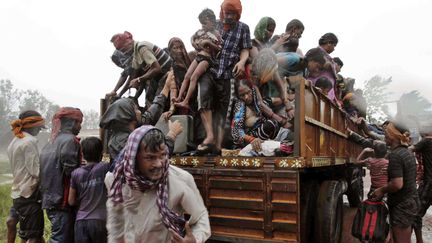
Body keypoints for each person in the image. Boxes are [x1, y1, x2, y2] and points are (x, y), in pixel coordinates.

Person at [105, 125, 211, 242]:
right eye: (150, 158)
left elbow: (201, 217)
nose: (159, 164)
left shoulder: (181, 180)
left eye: (162, 155)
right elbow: (115, 226)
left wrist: (195, 239)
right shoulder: (117, 182)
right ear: (134, 158)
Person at [100, 70, 175, 161]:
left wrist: (166, 87)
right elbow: (156, 156)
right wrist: (172, 135)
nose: (140, 111)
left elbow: (150, 115)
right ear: (129, 116)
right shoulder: (122, 142)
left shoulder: (129, 128)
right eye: (135, 109)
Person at [40, 107, 83, 243]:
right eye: (78, 122)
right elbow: (72, 172)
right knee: (60, 238)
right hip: (62, 200)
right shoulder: (70, 141)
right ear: (71, 123)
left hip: (50, 198)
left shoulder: (50, 142)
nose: (80, 126)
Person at [370, 122, 419, 243]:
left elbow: (397, 184)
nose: (384, 134)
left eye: (386, 132)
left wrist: (381, 190)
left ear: (393, 135)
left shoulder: (395, 155)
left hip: (401, 205)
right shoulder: (407, 152)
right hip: (410, 201)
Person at [8, 110, 46, 243]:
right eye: (39, 128)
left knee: (27, 233)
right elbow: (35, 171)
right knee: (33, 236)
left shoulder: (15, 141)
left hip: (18, 193)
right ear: (33, 126)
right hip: (29, 194)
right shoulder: (29, 142)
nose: (39, 131)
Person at [174, 8, 221, 111]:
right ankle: (179, 97)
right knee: (187, 76)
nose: (204, 26)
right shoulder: (200, 32)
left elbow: (220, 49)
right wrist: (193, 42)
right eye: (202, 24)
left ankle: (186, 101)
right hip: (198, 56)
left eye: (206, 23)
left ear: (212, 21)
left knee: (194, 77)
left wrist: (209, 44)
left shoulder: (216, 34)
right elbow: (192, 38)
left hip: (207, 59)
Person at [111, 31, 172, 108]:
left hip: (169, 75)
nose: (124, 53)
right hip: (158, 79)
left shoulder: (141, 47)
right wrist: (119, 94)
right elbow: (132, 77)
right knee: (149, 99)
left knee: (155, 104)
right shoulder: (136, 56)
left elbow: (156, 69)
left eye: (123, 49)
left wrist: (139, 79)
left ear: (128, 42)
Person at [68, 137, 109, 243]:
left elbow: (71, 201)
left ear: (83, 153)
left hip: (81, 222)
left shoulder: (76, 173)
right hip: (100, 220)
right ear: (100, 153)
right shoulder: (104, 168)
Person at [232, 79, 291, 151]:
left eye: (248, 92)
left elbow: (281, 99)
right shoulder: (240, 108)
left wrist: (288, 101)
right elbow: (237, 131)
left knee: (286, 132)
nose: (246, 97)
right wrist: (252, 139)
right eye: (242, 95)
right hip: (251, 140)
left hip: (267, 137)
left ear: (252, 90)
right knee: (270, 124)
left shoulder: (262, 103)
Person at [162, 37, 192, 119]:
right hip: (186, 101)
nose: (179, 51)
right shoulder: (174, 69)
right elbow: (173, 89)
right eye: (175, 48)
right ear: (171, 50)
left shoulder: (191, 58)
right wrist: (171, 109)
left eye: (180, 47)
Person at [412, 127, 432, 243]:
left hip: (429, 184)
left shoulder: (426, 141)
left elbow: (409, 149)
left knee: (415, 214)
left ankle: (420, 241)